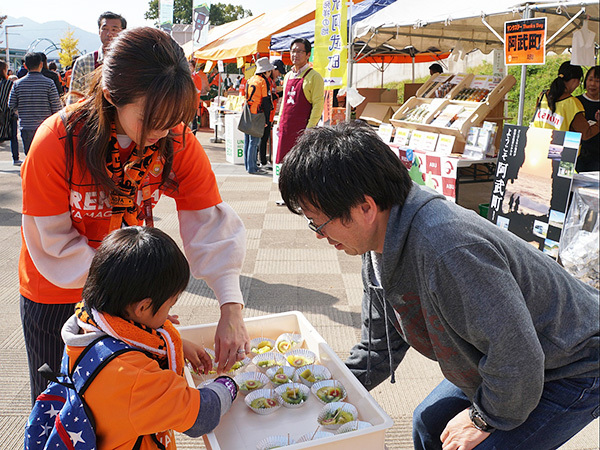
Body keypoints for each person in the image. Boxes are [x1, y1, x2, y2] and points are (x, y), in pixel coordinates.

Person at [278, 122, 599, 450]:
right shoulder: (377, 244)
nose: (319, 234)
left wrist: (482, 418)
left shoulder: (448, 249)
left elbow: (517, 357)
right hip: (509, 358)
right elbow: (377, 348)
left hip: (572, 362)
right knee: (428, 423)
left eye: (320, 222)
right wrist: (317, 392)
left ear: (365, 208)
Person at [19, 27, 249, 405]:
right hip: (57, 290)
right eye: (151, 119)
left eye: (174, 118)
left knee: (127, 406)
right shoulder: (57, 141)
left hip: (126, 289)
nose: (162, 132)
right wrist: (130, 298)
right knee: (61, 408)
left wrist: (231, 307)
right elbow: (52, 243)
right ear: (111, 96)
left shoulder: (173, 138)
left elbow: (209, 222)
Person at [59, 226, 237, 449]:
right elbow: (201, 416)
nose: (168, 317)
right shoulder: (136, 378)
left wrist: (179, 344)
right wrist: (229, 383)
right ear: (143, 307)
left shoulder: (85, 327)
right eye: (169, 305)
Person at [275, 38, 324, 167]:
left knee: (300, 164)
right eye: (292, 51)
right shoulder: (288, 76)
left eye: (299, 51)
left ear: (308, 54)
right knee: (285, 164)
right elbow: (284, 102)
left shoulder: (314, 77)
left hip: (302, 130)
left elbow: (318, 105)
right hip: (286, 128)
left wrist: (310, 128)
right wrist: (279, 122)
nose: (295, 55)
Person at [8, 52, 61, 155]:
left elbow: (11, 105)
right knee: (45, 156)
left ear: (25, 66)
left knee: (30, 155)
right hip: (46, 127)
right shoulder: (49, 83)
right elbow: (56, 107)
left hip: (26, 126)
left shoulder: (17, 84)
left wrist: (21, 112)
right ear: (41, 64)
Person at [67, 11, 126, 103]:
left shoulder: (129, 62)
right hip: (89, 115)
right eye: (105, 29)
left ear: (123, 32)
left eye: (114, 29)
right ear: (99, 31)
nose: (109, 34)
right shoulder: (83, 62)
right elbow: (73, 101)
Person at [532, 61, 599, 141]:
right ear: (575, 81)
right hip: (559, 150)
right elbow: (586, 134)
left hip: (536, 145)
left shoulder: (542, 95)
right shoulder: (572, 103)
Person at [243, 57, 274, 175]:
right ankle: (252, 168)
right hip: (257, 113)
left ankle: (248, 165)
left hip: (248, 112)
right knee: (254, 142)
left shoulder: (250, 79)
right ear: (265, 71)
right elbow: (266, 101)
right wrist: (266, 119)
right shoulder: (263, 82)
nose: (270, 73)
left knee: (247, 140)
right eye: (269, 71)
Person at [258, 59, 285, 170]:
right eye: (278, 72)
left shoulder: (271, 81)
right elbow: (266, 99)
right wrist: (281, 94)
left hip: (269, 113)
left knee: (264, 138)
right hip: (265, 114)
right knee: (263, 138)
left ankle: (263, 160)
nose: (279, 75)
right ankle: (262, 161)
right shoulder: (265, 81)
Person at [576, 65, 599, 172]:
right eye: (590, 79)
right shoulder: (576, 102)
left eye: (597, 81)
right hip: (578, 157)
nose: (592, 84)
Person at [0, 60, 22, 165]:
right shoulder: (9, 84)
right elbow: (13, 99)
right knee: (13, 137)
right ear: (4, 70)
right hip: (9, 114)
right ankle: (15, 158)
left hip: (2, 113)